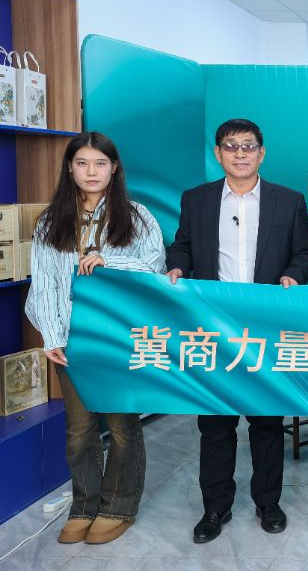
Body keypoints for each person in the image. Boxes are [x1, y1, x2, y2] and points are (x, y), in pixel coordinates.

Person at [165, 118, 308, 543]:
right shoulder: (196, 199)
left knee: (266, 420)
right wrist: (176, 266)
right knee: (215, 422)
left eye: (248, 146)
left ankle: (268, 502)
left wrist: (293, 274)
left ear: (261, 153)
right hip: (213, 326)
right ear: (218, 153)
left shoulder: (288, 200)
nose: (240, 153)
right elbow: (183, 246)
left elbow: (305, 254)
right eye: (231, 146)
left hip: (266, 326)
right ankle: (215, 506)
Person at [26, 131, 166, 544]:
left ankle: (119, 506)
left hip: (119, 338)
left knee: (121, 425)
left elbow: (156, 268)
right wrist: (52, 336)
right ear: (70, 168)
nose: (92, 172)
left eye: (100, 163)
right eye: (83, 163)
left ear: (114, 168)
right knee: (79, 429)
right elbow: (44, 283)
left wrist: (112, 262)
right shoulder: (50, 221)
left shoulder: (137, 216)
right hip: (71, 339)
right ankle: (84, 506)